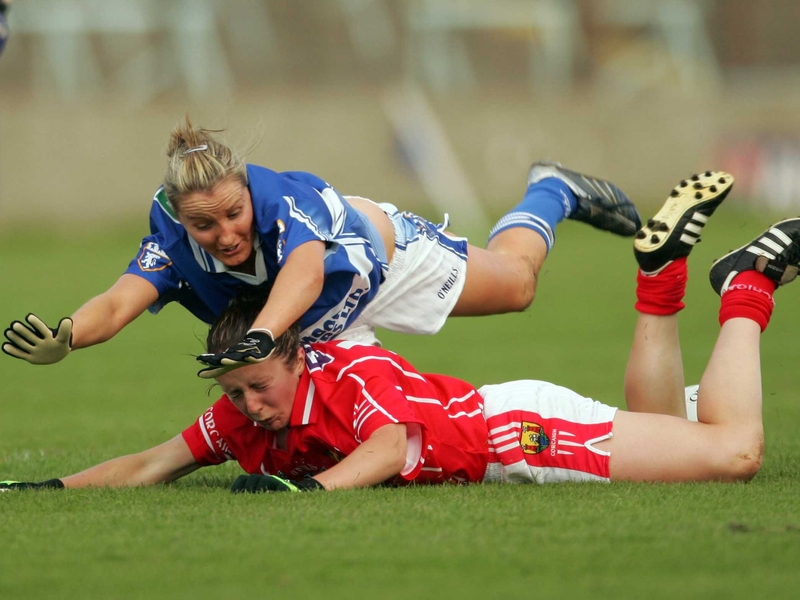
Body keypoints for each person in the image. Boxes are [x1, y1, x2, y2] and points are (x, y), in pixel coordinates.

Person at [6, 169, 798, 493]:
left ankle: (746, 286)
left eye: (253, 385)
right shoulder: (253, 392)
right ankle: (660, 280)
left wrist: (304, 487)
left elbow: (382, 440)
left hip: (494, 403)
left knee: (732, 453)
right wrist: (45, 487)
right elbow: (153, 461)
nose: (245, 406)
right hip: (485, 424)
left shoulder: (336, 351)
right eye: (237, 393)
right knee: (672, 435)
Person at [2, 116, 641, 378]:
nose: (225, 234)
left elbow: (305, 272)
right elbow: (118, 303)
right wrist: (69, 337)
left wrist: (262, 334)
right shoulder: (171, 234)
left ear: (247, 192)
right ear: (178, 217)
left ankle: (552, 190)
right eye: (205, 226)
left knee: (519, 287)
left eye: (233, 213)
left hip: (385, 267)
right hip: (305, 325)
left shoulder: (283, 200)